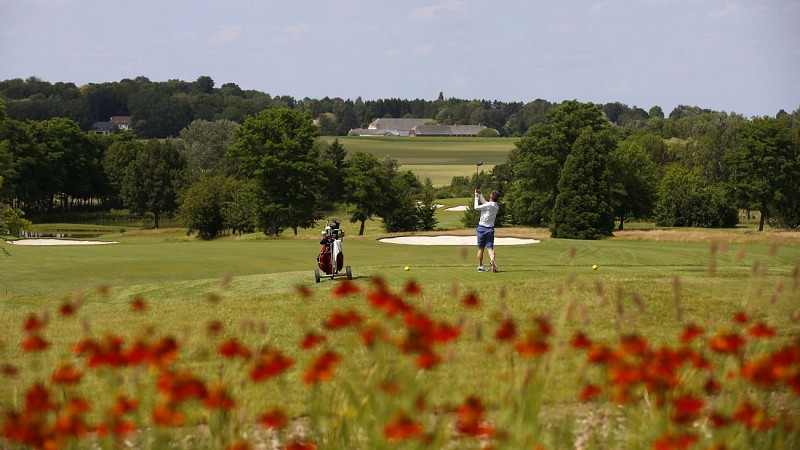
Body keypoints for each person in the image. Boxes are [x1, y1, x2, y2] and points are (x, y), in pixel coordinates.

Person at [474, 189, 501, 272]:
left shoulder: (488, 205)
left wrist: (476, 197)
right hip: (490, 229)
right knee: (490, 248)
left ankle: (480, 266)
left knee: (481, 249)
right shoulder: (496, 206)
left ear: (491, 196)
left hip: (481, 228)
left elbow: (476, 207)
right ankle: (492, 260)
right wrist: (480, 194)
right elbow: (485, 202)